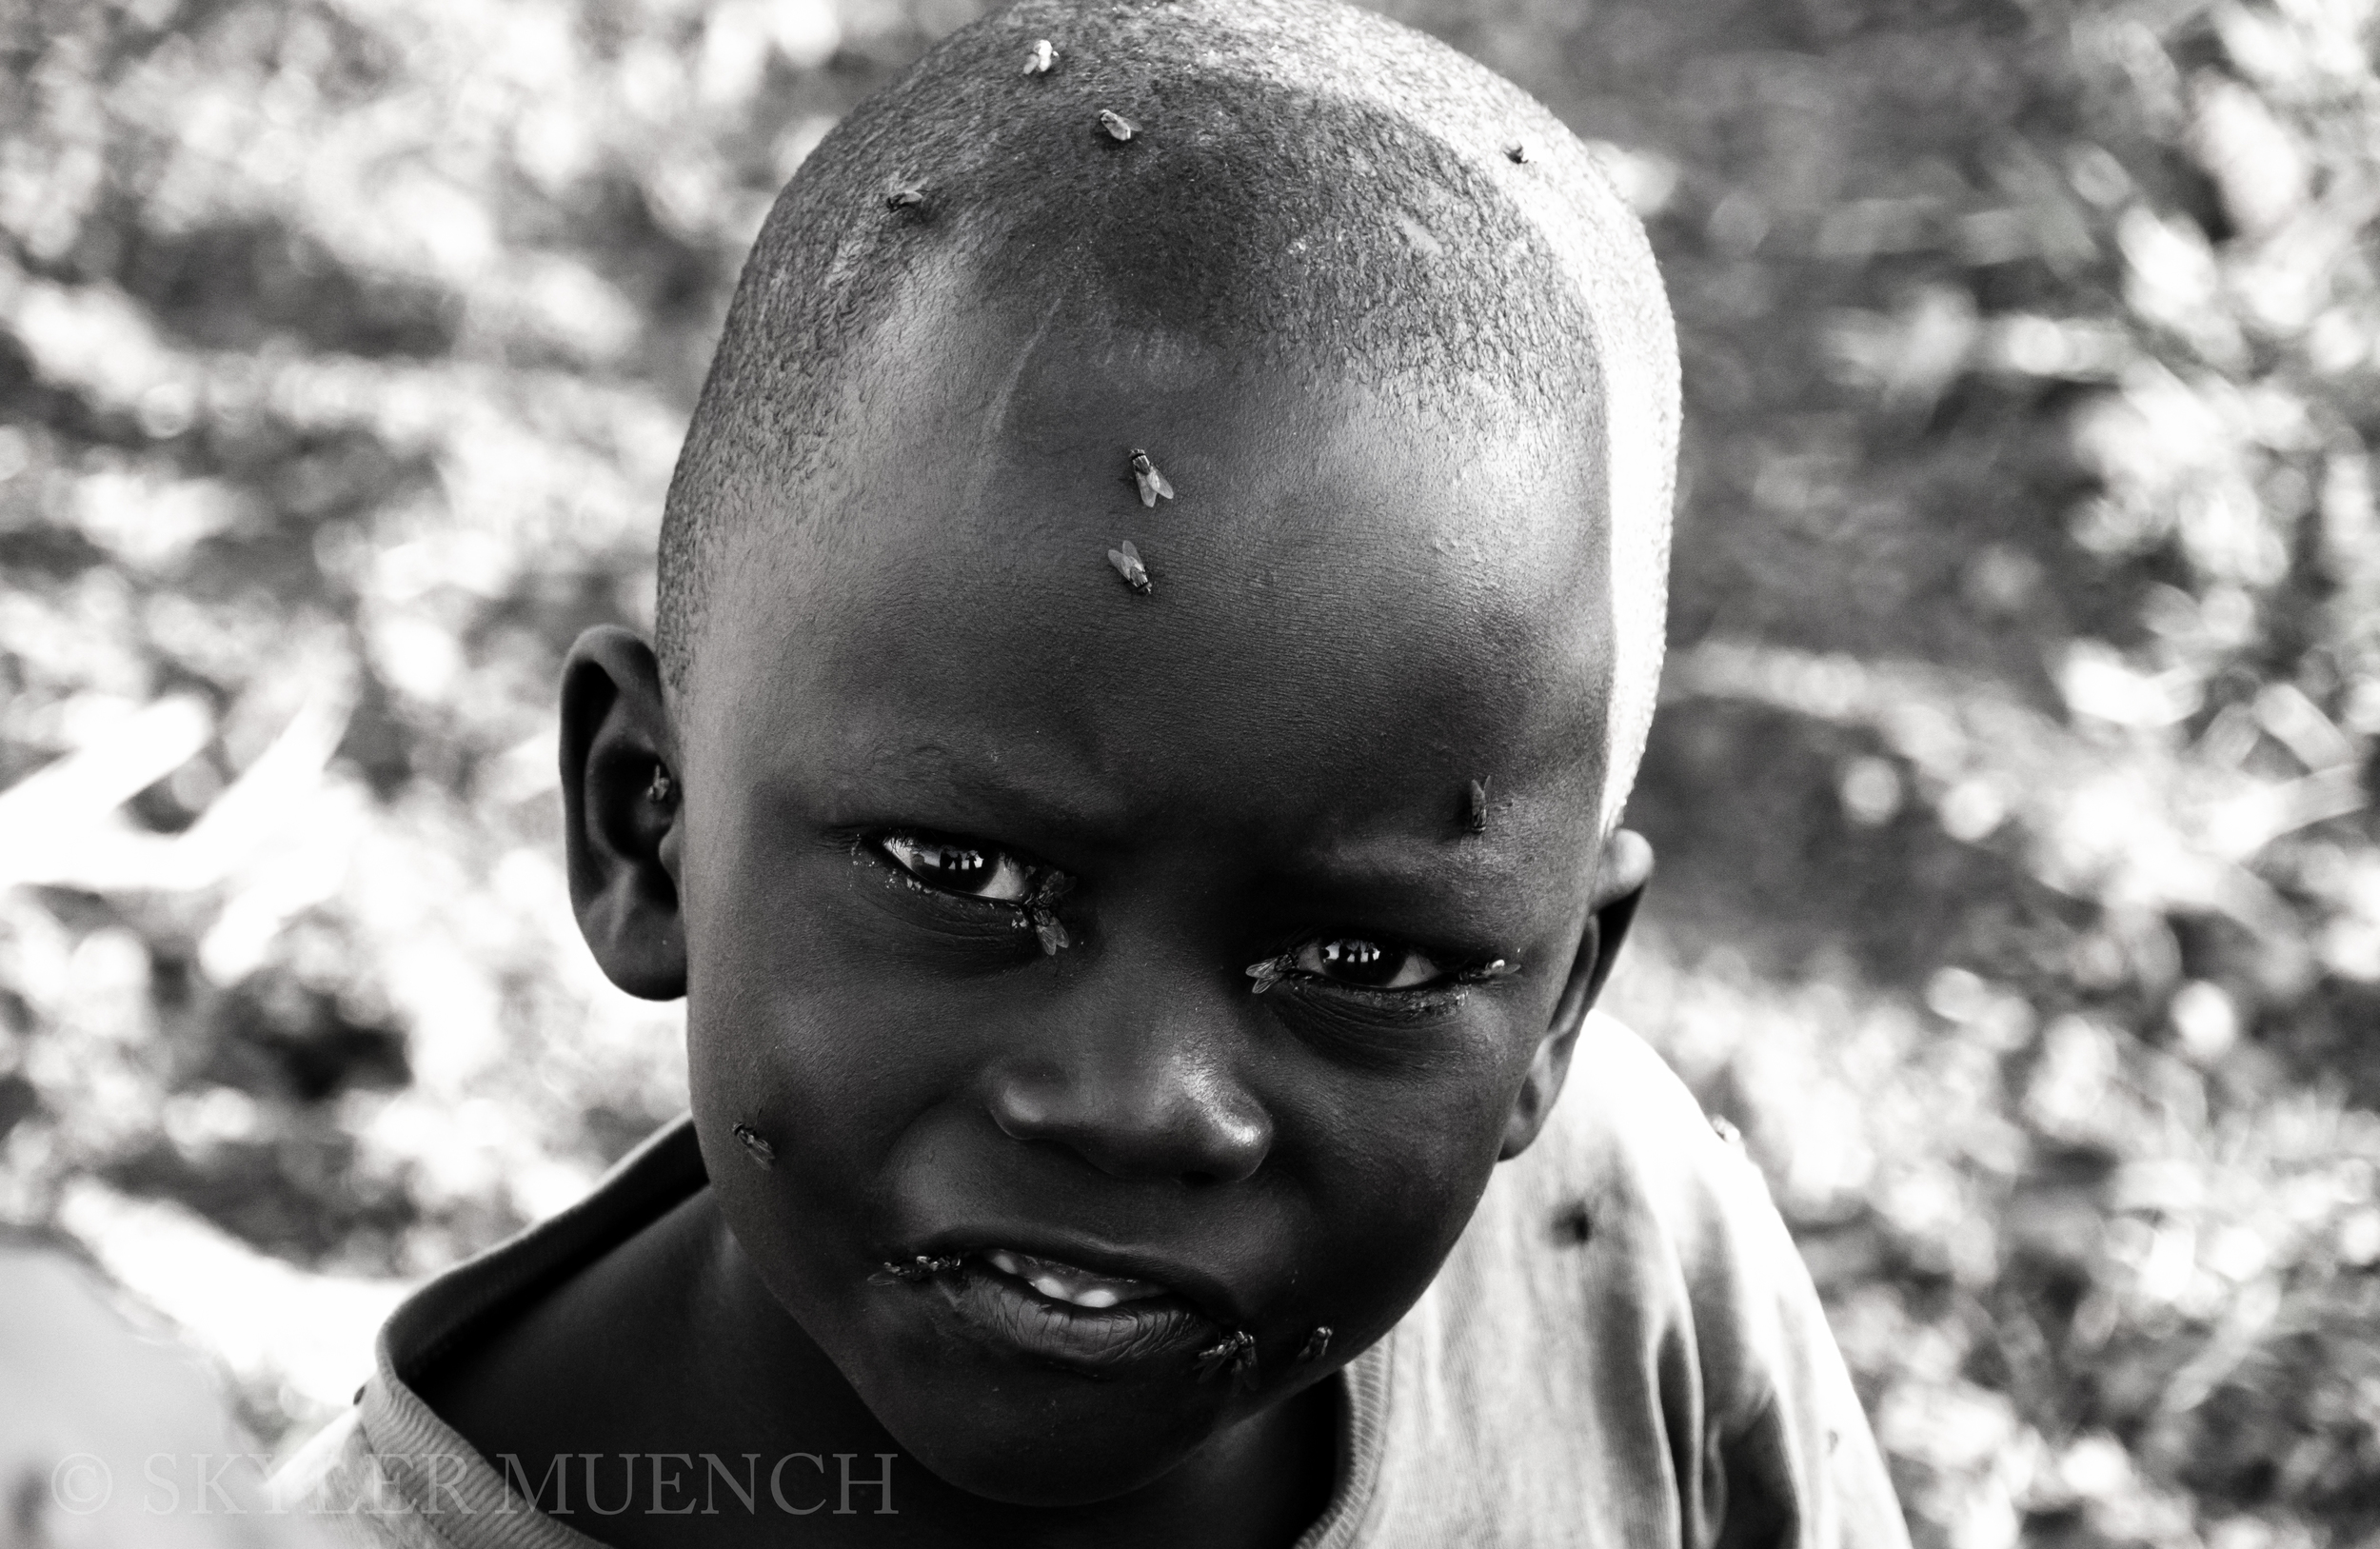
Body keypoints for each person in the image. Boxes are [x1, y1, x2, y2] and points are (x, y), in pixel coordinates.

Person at [276, 0, 1912, 1541]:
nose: (1140, 1109)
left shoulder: (1610, 1261)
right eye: (965, 875)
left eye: (1361, 962)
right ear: (647, 825)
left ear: (1557, 1006)